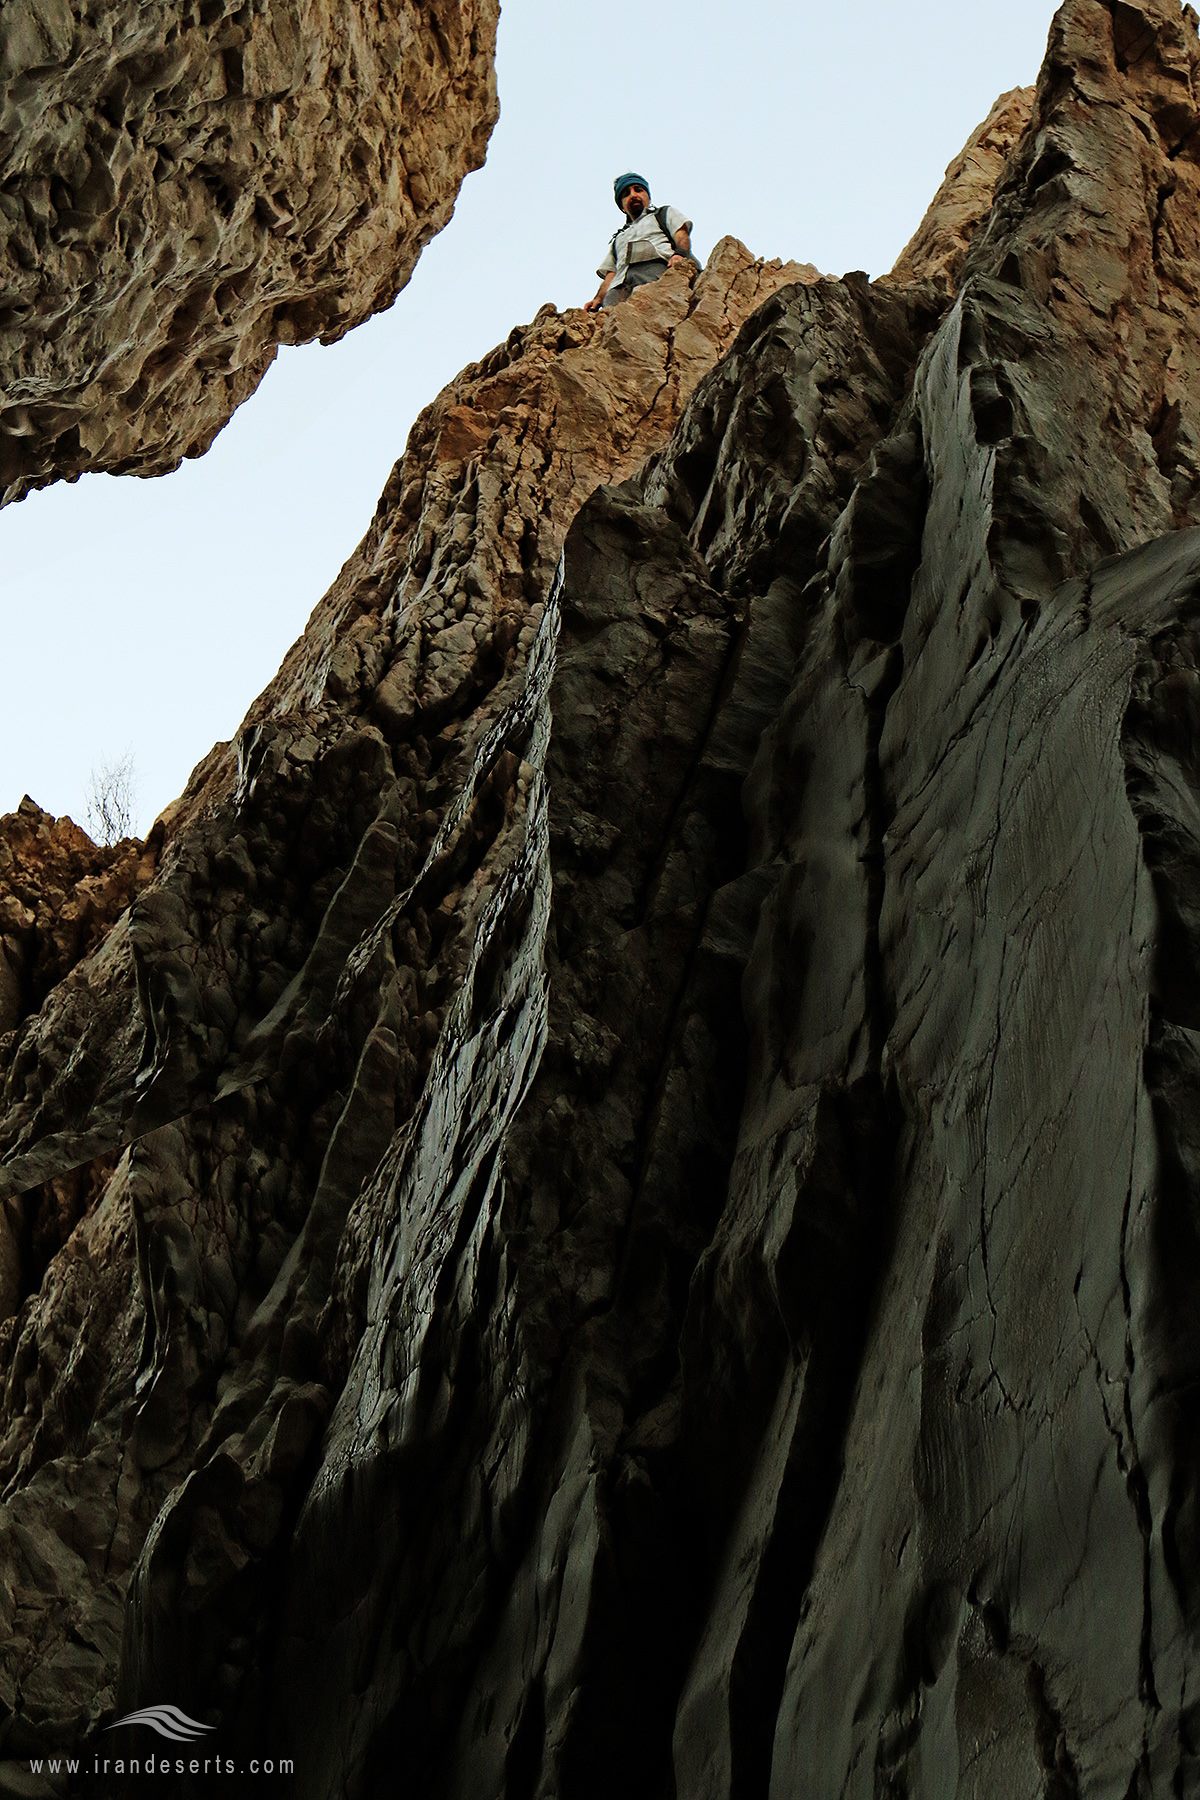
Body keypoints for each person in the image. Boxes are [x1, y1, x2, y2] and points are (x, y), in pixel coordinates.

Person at [584, 173, 695, 312]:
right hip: (619, 287)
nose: (633, 195)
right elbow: (611, 272)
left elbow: (681, 234)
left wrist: (679, 254)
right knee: (614, 320)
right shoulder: (619, 238)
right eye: (626, 194)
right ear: (622, 206)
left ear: (648, 196)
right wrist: (598, 298)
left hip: (654, 271)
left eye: (638, 190)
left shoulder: (662, 214)